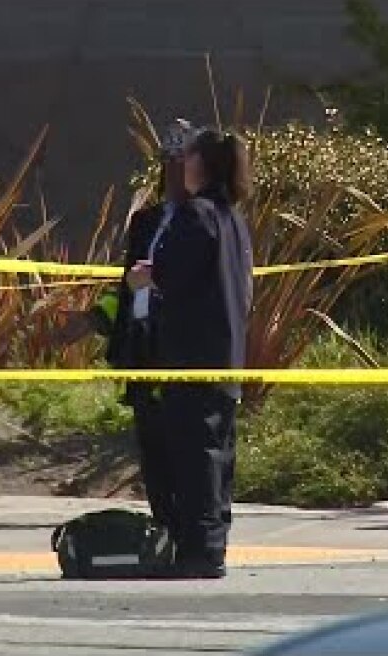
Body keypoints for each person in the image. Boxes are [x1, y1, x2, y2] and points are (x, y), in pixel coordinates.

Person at [53, 118, 194, 541]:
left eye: (182, 162)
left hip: (186, 356)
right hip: (144, 353)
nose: (174, 172)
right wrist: (92, 320)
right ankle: (165, 536)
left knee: (189, 458)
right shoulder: (146, 222)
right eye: (168, 162)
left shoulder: (209, 222)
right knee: (155, 455)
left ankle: (192, 541)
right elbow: (126, 291)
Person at [126, 126, 253, 579]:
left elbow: (175, 275)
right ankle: (211, 545)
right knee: (217, 455)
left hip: (191, 356)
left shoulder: (198, 215)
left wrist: (147, 277)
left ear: (204, 163)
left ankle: (197, 552)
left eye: (189, 156)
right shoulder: (231, 218)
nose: (183, 165)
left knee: (194, 456)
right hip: (223, 356)